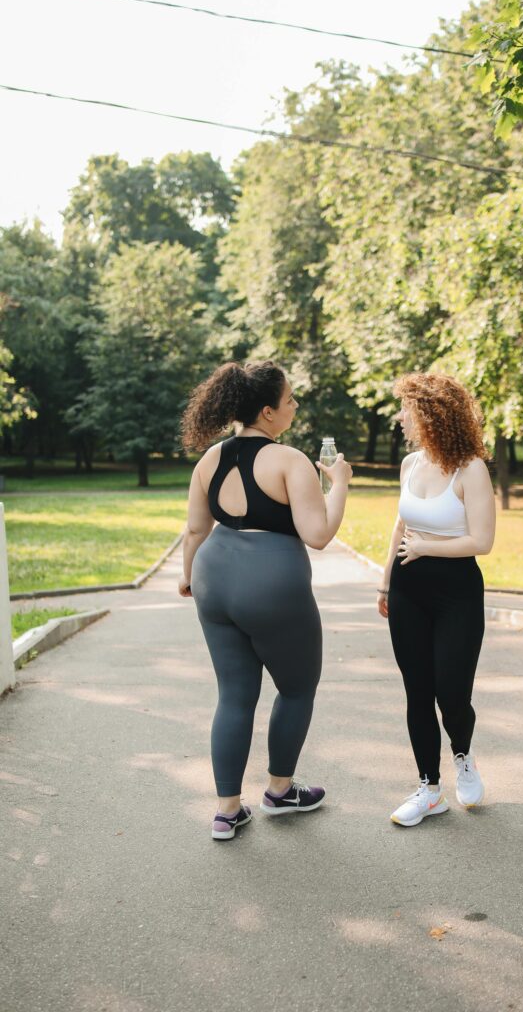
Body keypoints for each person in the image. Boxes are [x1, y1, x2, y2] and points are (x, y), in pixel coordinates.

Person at [179, 359, 352, 840]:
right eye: (290, 399)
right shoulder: (290, 460)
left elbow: (196, 528)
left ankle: (226, 811)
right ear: (268, 411)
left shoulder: (209, 460)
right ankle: (279, 791)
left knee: (234, 695)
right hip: (272, 582)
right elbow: (317, 534)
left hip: (214, 579)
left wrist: (187, 575)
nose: (295, 405)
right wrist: (339, 486)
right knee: (296, 688)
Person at [377, 373, 495, 828]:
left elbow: (481, 541)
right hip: (408, 589)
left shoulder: (471, 469)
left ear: (430, 414)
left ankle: (463, 756)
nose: (401, 417)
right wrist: (386, 582)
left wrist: (427, 548)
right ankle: (429, 788)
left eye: (407, 408)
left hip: (457, 592)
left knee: (451, 691)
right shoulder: (410, 465)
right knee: (417, 691)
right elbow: (400, 526)